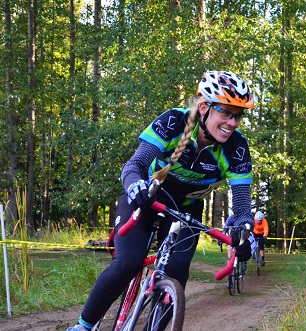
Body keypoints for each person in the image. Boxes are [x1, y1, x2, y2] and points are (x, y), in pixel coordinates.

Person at [67, 70, 255, 331]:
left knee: (177, 272)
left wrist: (245, 230)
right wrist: (135, 186)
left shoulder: (237, 148)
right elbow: (135, 164)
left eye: (238, 115)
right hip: (147, 196)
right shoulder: (173, 121)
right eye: (226, 112)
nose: (232, 122)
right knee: (128, 263)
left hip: (187, 207)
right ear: (203, 108)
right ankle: (83, 326)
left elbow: (243, 205)